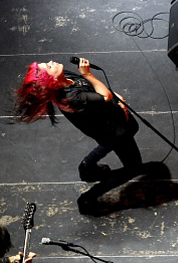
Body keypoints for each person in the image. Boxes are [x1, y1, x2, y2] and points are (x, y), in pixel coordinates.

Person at [14, 58, 143, 214]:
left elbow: (96, 91)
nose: (51, 61)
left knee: (108, 142)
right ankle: (90, 195)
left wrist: (114, 96)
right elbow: (104, 97)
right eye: (48, 66)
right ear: (51, 80)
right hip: (114, 131)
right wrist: (88, 74)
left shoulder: (64, 77)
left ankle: (87, 165)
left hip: (110, 121)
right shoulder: (71, 98)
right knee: (133, 167)